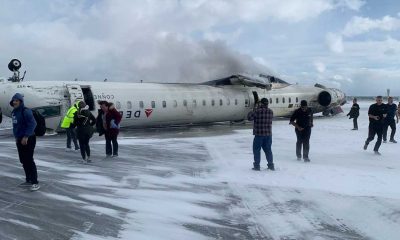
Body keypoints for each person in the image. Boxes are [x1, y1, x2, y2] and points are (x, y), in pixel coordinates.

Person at [10, 93, 40, 191]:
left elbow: (33, 124)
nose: (14, 102)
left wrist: (26, 136)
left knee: (29, 159)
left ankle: (35, 182)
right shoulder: (14, 112)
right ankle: (28, 180)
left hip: (29, 138)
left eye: (16, 100)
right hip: (19, 139)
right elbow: (16, 126)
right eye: (14, 100)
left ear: (21, 102)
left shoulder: (26, 111)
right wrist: (17, 137)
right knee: (23, 160)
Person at [247, 98, 274, 171]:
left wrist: (253, 109)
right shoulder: (271, 112)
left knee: (256, 150)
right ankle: (271, 165)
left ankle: (257, 166)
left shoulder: (257, 111)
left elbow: (249, 118)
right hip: (268, 135)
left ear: (261, 103)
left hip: (259, 135)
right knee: (268, 150)